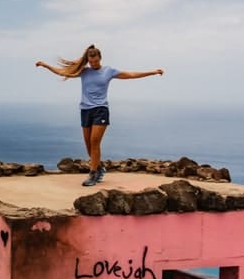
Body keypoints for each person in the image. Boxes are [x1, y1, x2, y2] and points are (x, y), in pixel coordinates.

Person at [35, 44, 163, 187]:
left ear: (100, 58)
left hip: (100, 109)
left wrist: (152, 72)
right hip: (85, 110)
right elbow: (63, 72)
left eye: (96, 61)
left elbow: (131, 74)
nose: (94, 64)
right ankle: (99, 168)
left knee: (95, 142)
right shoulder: (84, 71)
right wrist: (46, 65)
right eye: (91, 62)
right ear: (88, 60)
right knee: (89, 146)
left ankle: (93, 174)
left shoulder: (108, 71)